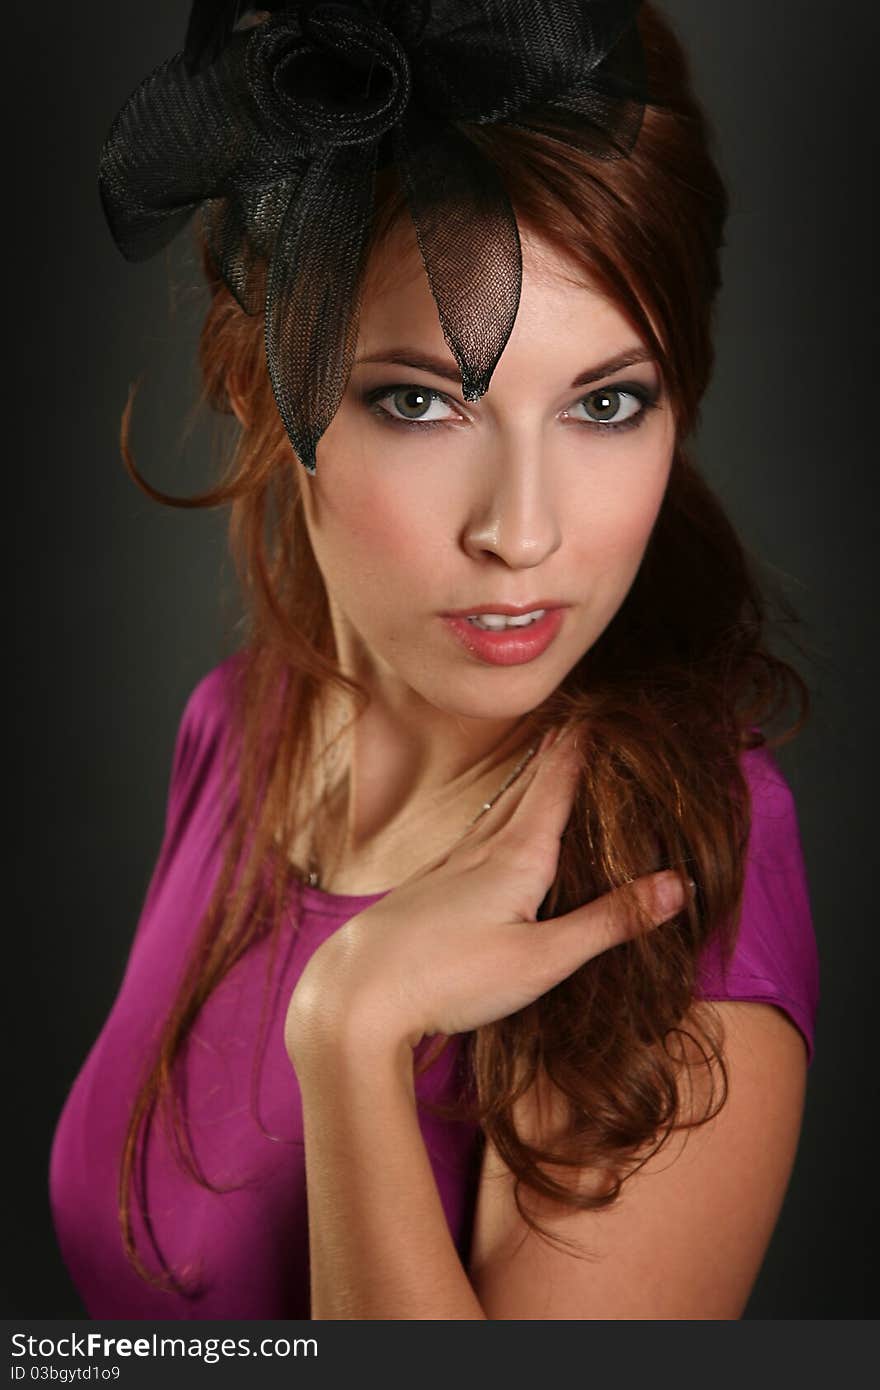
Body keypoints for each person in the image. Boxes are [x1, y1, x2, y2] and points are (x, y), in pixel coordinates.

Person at [50, 0, 819, 1319]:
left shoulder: (678, 874)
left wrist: (351, 1046)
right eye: (421, 399)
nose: (520, 532)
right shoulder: (235, 728)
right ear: (262, 392)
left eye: (607, 402)